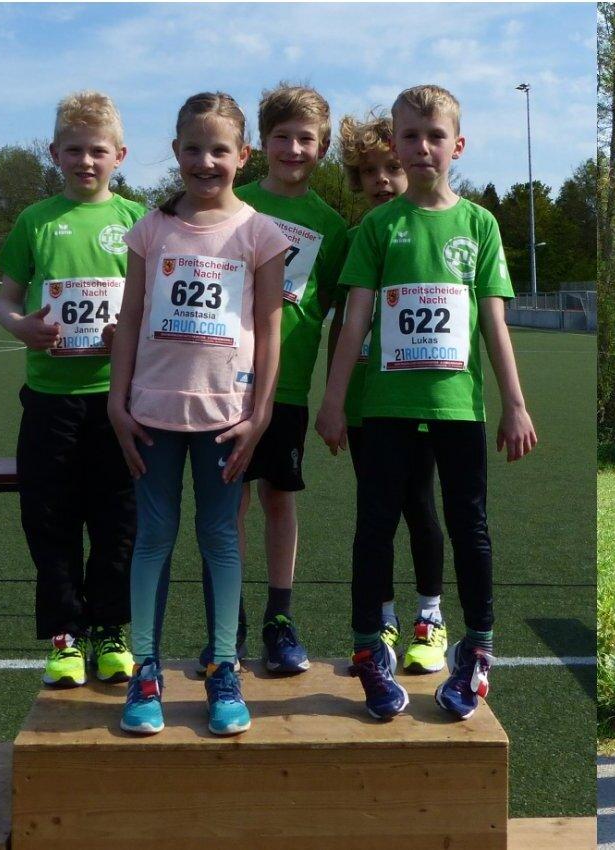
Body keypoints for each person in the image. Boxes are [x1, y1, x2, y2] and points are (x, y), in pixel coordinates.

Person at [315, 84, 537, 721]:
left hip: (457, 410)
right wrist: (334, 402)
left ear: (457, 145)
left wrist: (515, 404)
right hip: (382, 408)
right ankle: (370, 655)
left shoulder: (480, 225)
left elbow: (494, 324)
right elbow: (354, 320)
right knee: (374, 527)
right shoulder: (379, 227)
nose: (422, 148)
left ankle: (475, 655)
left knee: (470, 528)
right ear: (395, 144)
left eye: (434, 136)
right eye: (409, 137)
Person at [108, 92, 287, 736]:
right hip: (152, 414)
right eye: (192, 148)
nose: (205, 161)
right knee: (153, 539)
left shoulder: (260, 233)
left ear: (244, 155)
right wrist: (117, 401)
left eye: (220, 150)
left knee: (219, 539)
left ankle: (223, 669)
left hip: (226, 418)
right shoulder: (150, 229)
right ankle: (146, 672)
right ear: (175, 151)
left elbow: (270, 327)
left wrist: (261, 411)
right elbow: (129, 318)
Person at [0, 91, 145, 688]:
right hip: (50, 400)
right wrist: (21, 327)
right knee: (50, 517)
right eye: (74, 150)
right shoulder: (36, 220)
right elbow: (7, 299)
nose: (86, 161)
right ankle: (63, 634)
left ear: (120, 156)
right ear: (54, 153)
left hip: (118, 400)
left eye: (98, 151)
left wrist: (125, 333)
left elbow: (152, 301)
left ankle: (111, 629)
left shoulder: (136, 220)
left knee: (117, 519)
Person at [216, 83, 350, 676]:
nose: (294, 149)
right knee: (228, 505)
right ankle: (229, 622)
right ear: (257, 144)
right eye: (282, 137)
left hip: (286, 389)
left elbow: (348, 316)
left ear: (322, 148)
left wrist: (338, 398)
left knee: (278, 500)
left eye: (307, 139)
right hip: (220, 382)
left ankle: (278, 618)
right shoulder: (231, 203)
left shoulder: (331, 226)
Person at [329, 109, 448, 674]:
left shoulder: (442, 228)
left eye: (389, 168)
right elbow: (339, 325)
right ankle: (381, 620)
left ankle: (431, 615)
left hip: (420, 399)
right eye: (369, 171)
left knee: (420, 505)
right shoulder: (355, 239)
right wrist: (335, 398)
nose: (381, 179)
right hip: (365, 405)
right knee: (374, 513)